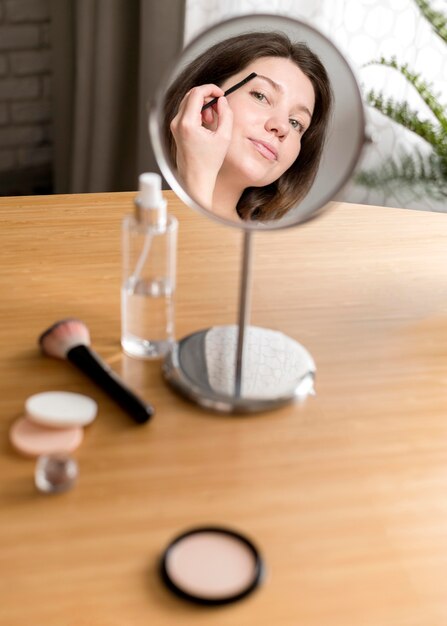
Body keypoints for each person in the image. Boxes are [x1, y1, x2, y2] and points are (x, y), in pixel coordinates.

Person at [164, 31, 333, 223]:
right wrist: (198, 177)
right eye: (261, 96)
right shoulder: (136, 221)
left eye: (296, 123)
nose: (281, 127)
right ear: (205, 101)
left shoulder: (272, 248)